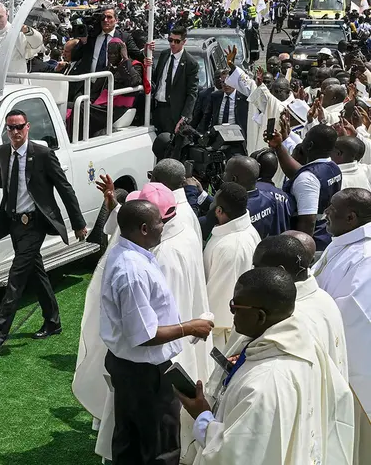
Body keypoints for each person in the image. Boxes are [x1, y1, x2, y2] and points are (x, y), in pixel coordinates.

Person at [176, 267, 355, 465]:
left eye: (235, 307)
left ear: (260, 316)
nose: (232, 314)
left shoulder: (265, 382)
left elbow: (232, 456)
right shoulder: (305, 344)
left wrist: (202, 416)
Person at [0, 109, 88, 359]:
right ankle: (53, 321)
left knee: (15, 279)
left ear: (28, 127)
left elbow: (64, 188)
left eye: (19, 127)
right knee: (35, 271)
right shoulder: (4, 152)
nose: (14, 132)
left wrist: (78, 223)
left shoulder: (44, 154)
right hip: (15, 223)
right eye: (10, 128)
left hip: (36, 224)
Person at [100, 199, 214, 465]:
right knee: (160, 447)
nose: (163, 226)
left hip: (131, 369)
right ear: (143, 228)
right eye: (159, 222)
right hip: (144, 374)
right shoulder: (132, 272)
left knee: (131, 441)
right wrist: (189, 327)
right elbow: (144, 336)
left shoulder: (130, 254)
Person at [314, 188, 371, 431]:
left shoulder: (365, 257)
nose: (325, 213)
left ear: (351, 218)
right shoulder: (344, 239)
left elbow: (354, 314)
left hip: (346, 364)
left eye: (332, 210)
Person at [254, 234, 348, 378]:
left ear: (281, 271)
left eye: (257, 267)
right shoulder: (324, 298)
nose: (253, 273)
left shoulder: (288, 316)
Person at [203, 181, 262, 352]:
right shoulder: (245, 230)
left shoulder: (231, 247)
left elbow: (220, 299)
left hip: (223, 334)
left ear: (219, 211)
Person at [272, 124, 343, 250]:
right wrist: (278, 146)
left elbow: (308, 221)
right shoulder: (333, 167)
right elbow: (299, 172)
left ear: (309, 145)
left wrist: (300, 253)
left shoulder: (307, 178)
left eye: (305, 138)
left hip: (312, 243)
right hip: (325, 235)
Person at [150, 26, 199, 134]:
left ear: (184, 42)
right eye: (170, 40)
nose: (173, 44)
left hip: (173, 113)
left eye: (177, 41)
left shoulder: (190, 63)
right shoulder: (164, 54)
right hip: (157, 108)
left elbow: (192, 92)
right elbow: (156, 78)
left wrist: (184, 118)